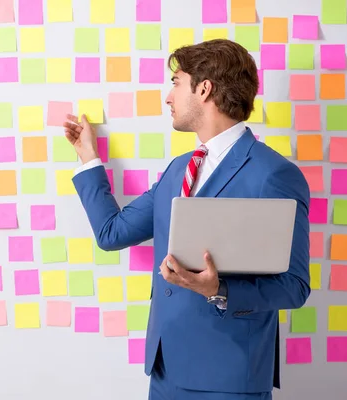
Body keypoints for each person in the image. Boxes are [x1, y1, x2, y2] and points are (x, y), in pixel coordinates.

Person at [63, 39, 311, 400]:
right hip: (165, 372)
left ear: (205, 89)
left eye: (176, 83)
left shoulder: (273, 174)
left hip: (229, 378)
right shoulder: (178, 170)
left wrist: (219, 290)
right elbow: (111, 232)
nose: (168, 96)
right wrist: (88, 157)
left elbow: (294, 286)